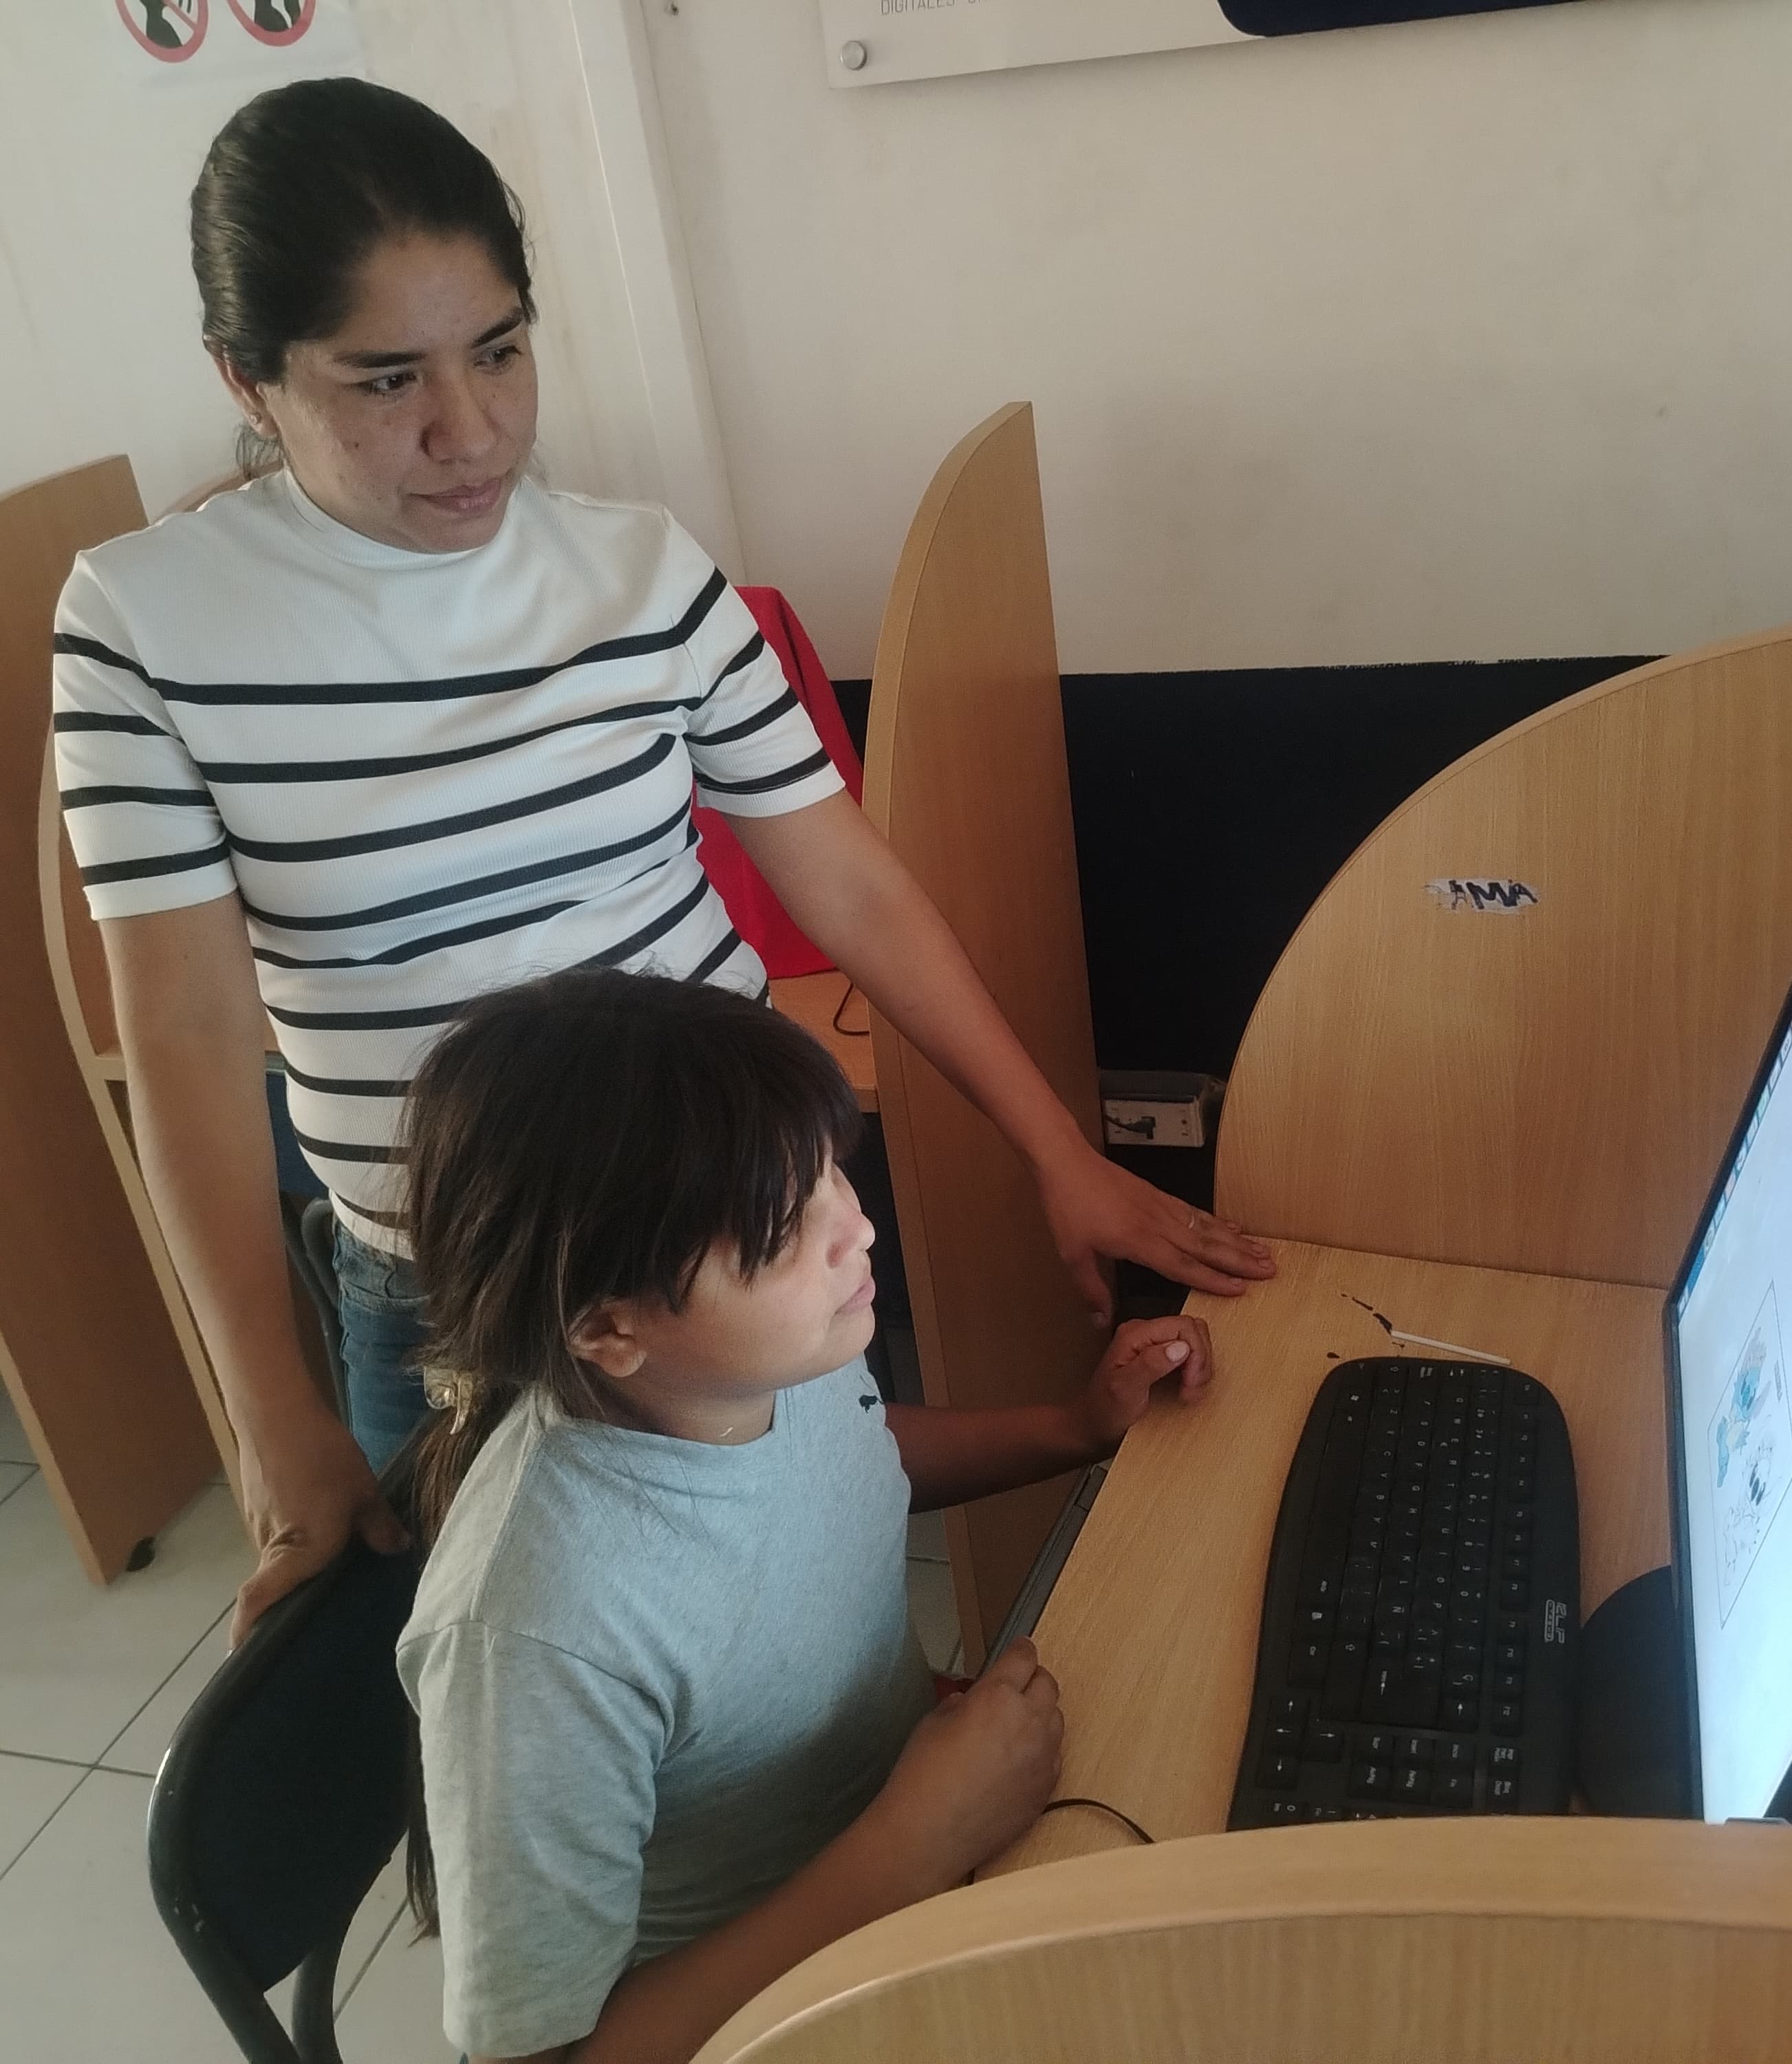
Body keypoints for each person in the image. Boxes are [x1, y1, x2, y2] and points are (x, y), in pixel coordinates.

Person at [50, 78, 1271, 1641]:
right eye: (385, 379)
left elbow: (852, 884)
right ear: (248, 375)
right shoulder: (145, 621)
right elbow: (184, 1032)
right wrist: (268, 1409)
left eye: (500, 350)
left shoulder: (640, 573)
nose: (470, 431)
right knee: (518, 1683)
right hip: (446, 1289)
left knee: (810, 1619)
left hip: (733, 1230)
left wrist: (1060, 1154)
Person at [395, 969, 1216, 2063]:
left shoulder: (762, 1363)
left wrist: (1075, 1428)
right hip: (776, 2006)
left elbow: (853, 1460)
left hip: (914, 1840)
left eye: (831, 1172)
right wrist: (911, 1848)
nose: (858, 1228)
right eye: (786, 1229)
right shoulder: (536, 1636)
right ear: (609, 1329)